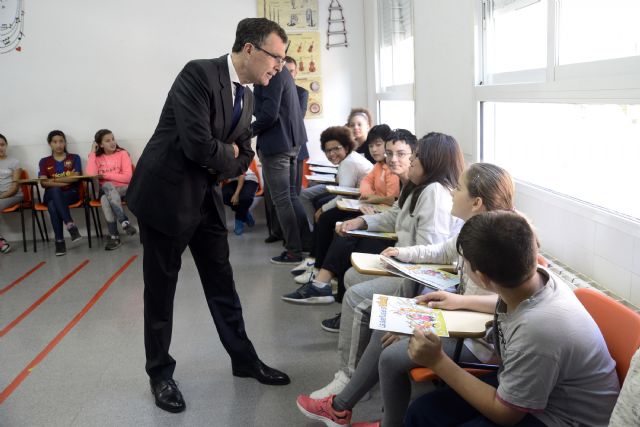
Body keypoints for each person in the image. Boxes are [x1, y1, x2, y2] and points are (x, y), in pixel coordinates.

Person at [126, 18, 291, 414]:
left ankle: (244, 359)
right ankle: (160, 374)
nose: (280, 67)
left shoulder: (248, 97)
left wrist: (233, 155)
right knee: (161, 290)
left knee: (222, 282)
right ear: (250, 49)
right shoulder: (198, 73)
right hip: (166, 197)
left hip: (205, 198)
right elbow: (198, 145)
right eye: (276, 57)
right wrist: (229, 153)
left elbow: (244, 155)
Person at [301, 164, 516, 426]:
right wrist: (403, 254)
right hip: (458, 319)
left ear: (477, 202)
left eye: (458, 188)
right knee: (385, 325)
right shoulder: (473, 229)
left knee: (391, 357)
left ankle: (369, 417)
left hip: (478, 338)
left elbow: (509, 301)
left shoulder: (502, 239)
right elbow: (442, 251)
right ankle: (341, 409)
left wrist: (456, 302)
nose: (451, 193)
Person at [403, 211, 620, 426]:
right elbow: (510, 303)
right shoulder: (536, 277)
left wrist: (437, 361)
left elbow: (505, 414)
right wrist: (460, 301)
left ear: (482, 278)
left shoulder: (537, 332)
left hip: (563, 417)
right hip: (541, 392)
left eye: (464, 263)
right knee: (422, 413)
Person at [284, 132, 463, 309]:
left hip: (415, 276)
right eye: (390, 153)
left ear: (433, 161)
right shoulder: (416, 187)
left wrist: (398, 257)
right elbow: (392, 213)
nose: (410, 162)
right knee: (350, 272)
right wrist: (362, 221)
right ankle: (326, 285)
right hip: (403, 261)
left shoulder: (434, 193)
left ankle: (327, 289)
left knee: (354, 285)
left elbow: (428, 252)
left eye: (413, 156)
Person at [253, 52, 309, 265]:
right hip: (293, 143)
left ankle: (294, 251)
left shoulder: (273, 74)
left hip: (277, 145)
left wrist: (246, 132)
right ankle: (305, 242)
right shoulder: (284, 73)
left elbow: (268, 115)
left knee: (282, 199)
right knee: (291, 197)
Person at [299, 126, 373, 233]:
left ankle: (314, 233)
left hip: (361, 203)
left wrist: (323, 209)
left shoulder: (348, 162)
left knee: (323, 210)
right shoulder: (349, 158)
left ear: (346, 148)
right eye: (328, 150)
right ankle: (315, 232)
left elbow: (344, 194)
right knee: (318, 199)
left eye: (336, 148)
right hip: (353, 196)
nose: (332, 154)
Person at [86, 129, 136, 251]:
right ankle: (124, 223)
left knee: (106, 192)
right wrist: (92, 152)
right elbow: (91, 174)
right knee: (106, 193)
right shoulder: (96, 158)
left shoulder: (123, 154)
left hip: (124, 189)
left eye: (113, 139)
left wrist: (105, 176)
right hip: (107, 190)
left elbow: (128, 178)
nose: (112, 142)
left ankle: (114, 236)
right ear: (100, 144)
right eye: (107, 141)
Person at [38, 130, 83, 256]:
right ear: (50, 144)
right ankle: (70, 225)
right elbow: (43, 183)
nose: (58, 145)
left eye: (61, 141)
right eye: (55, 142)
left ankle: (60, 242)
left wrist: (53, 180)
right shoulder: (44, 161)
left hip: (71, 194)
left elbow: (75, 178)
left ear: (65, 142)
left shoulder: (74, 158)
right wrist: (64, 182)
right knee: (55, 192)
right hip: (50, 193)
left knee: (53, 205)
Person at [0, 133, 23, 254]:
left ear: (6, 145)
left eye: (2, 144)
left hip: (14, 195)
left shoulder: (14, 162)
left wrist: (1, 196)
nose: (0, 148)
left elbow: (14, 188)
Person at [221, 164, 259, 235]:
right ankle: (246, 214)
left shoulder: (235, 158)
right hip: (233, 181)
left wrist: (236, 194)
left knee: (245, 198)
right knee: (223, 196)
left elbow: (242, 176)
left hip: (249, 179)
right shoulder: (217, 162)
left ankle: (239, 219)